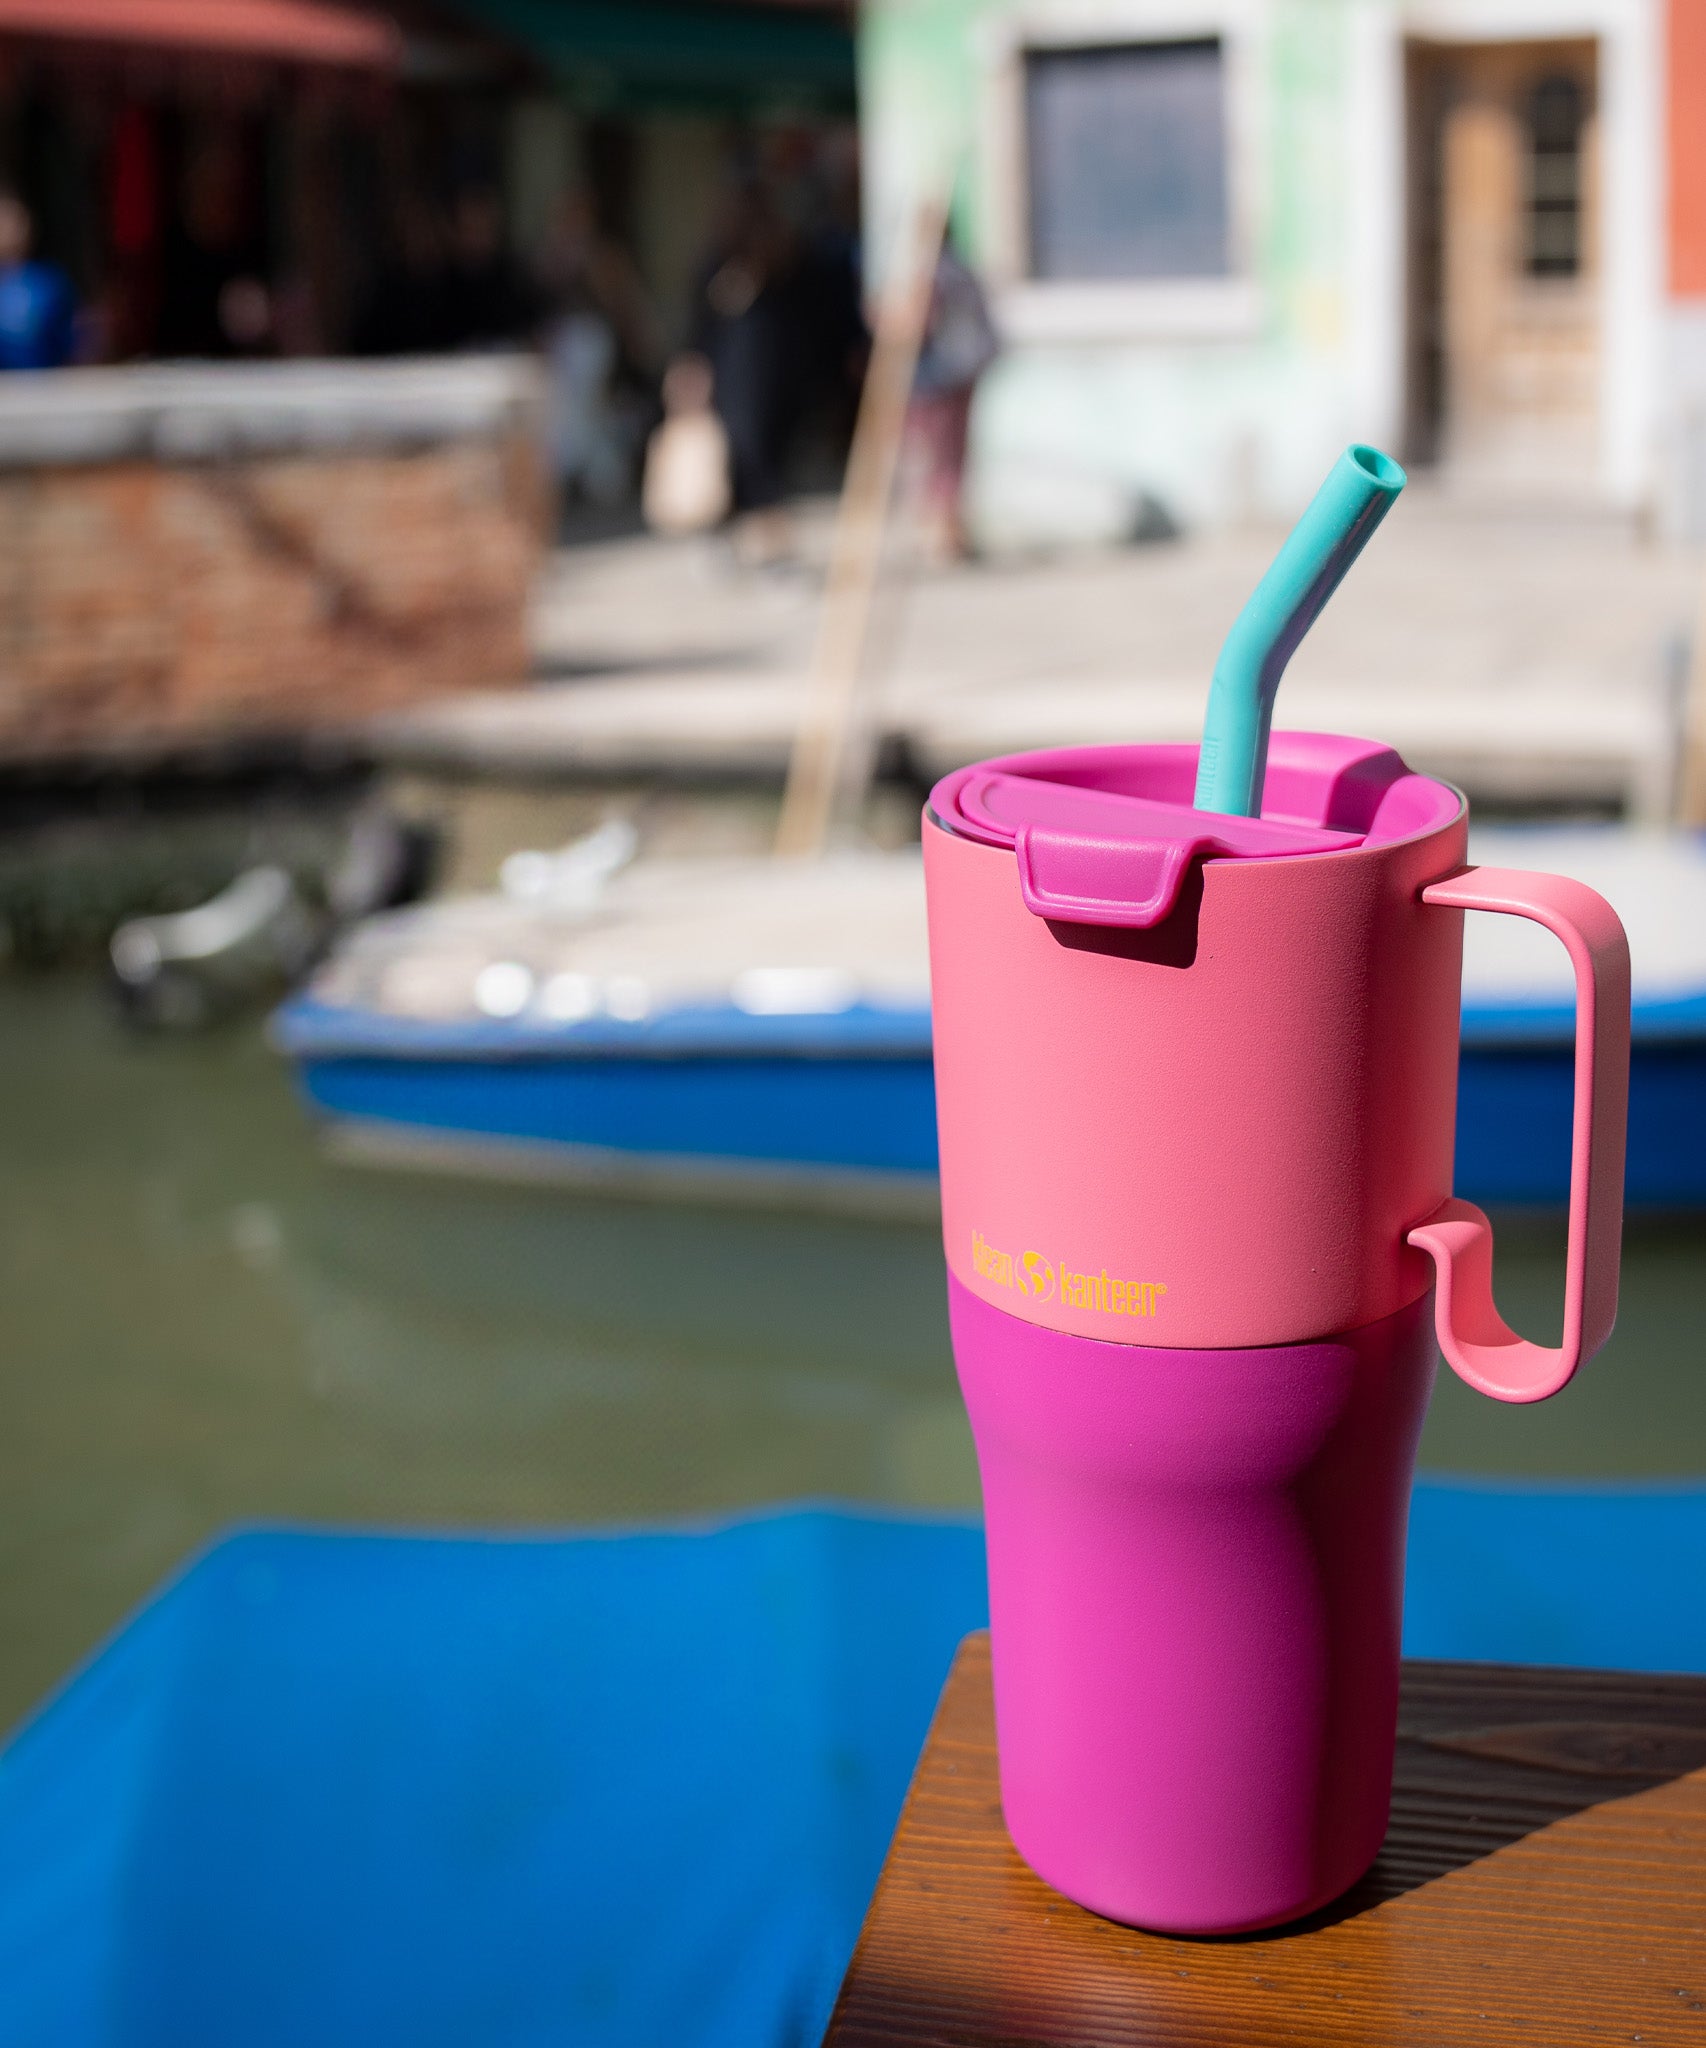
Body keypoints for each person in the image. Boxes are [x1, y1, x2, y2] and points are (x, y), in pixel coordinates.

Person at [906, 241, 999, 563]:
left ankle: (941, 534)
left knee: (935, 457)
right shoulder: (965, 273)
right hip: (965, 373)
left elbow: (919, 324)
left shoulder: (933, 277)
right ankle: (948, 531)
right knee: (953, 456)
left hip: (939, 377)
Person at [0, 192, 75, 371]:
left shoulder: (48, 282)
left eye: (13, 223)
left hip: (44, 385)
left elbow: (67, 340)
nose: (7, 232)